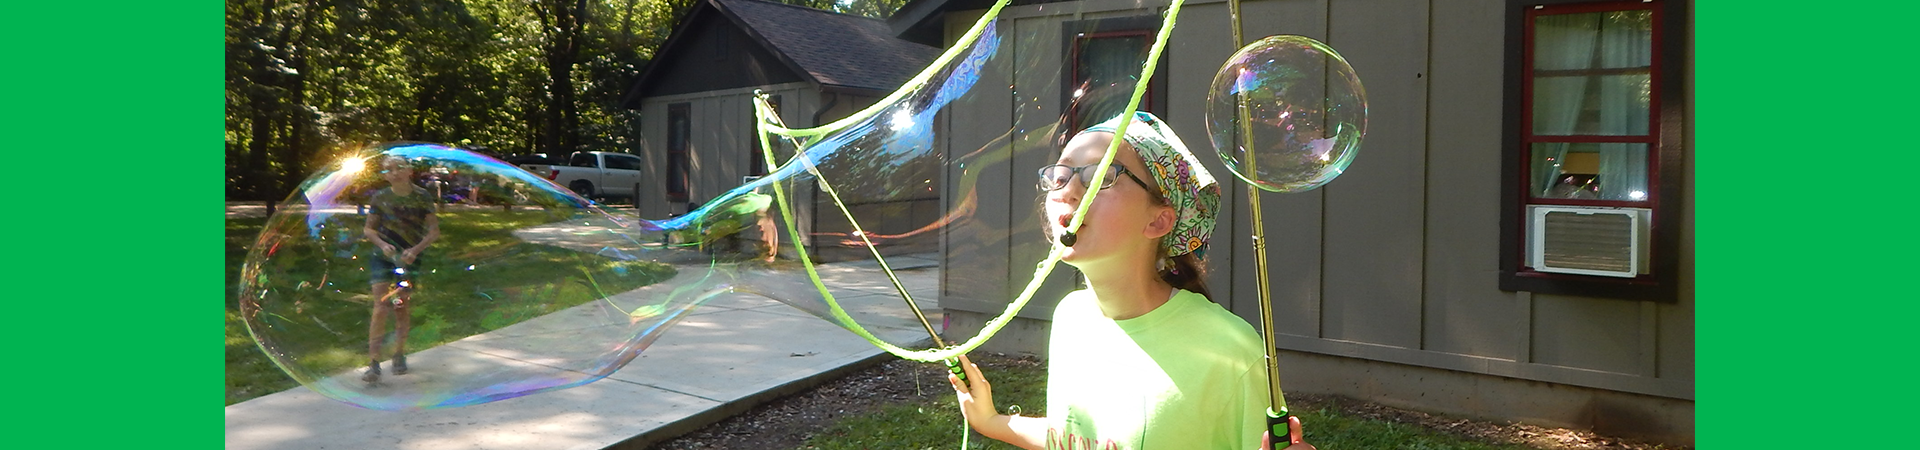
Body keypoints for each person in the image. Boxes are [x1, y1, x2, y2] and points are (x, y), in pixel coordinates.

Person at [948, 112, 1315, 450]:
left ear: (1158, 221)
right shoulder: (1070, 317)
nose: (1069, 191)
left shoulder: (1231, 352)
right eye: (1060, 176)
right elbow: (1079, 438)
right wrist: (993, 422)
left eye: (1102, 176)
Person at [361, 155, 440, 383]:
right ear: (385, 175)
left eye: (399, 168)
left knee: (400, 306)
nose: (394, 172)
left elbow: (434, 231)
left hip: (409, 259)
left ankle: (398, 354)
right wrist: (383, 245)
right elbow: (369, 230)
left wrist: (415, 250)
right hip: (383, 257)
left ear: (409, 171)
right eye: (388, 169)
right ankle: (374, 363)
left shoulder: (422, 196)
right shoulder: (380, 196)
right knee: (380, 306)